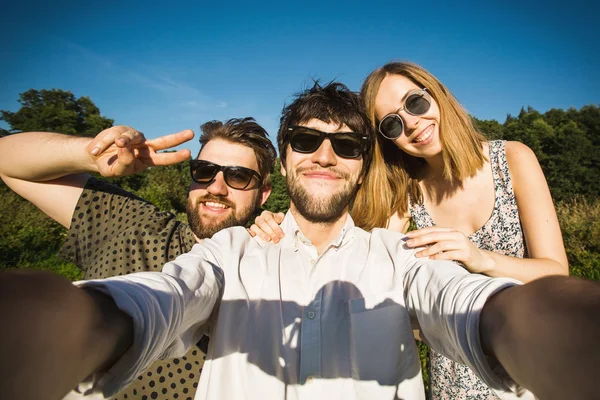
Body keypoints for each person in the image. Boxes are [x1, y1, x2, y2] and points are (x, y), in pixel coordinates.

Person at [1, 82, 599, 400]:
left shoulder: (400, 257)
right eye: (306, 140)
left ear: (366, 165)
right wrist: (61, 327)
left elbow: (474, 308)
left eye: (347, 145)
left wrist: (565, 339)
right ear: (284, 163)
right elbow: (157, 298)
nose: (324, 154)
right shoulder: (228, 252)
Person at [251, 62, 569, 400]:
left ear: (438, 94)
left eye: (415, 103)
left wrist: (480, 259)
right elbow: (363, 265)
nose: (412, 123)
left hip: (526, 366)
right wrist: (284, 225)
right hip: (452, 376)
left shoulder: (512, 159)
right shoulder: (407, 192)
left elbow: (555, 272)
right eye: (392, 124)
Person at [0, 117, 276, 400]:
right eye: (205, 171)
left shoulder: (273, 277)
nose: (216, 188)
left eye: (239, 177)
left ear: (263, 194)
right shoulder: (131, 223)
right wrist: (88, 154)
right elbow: (7, 161)